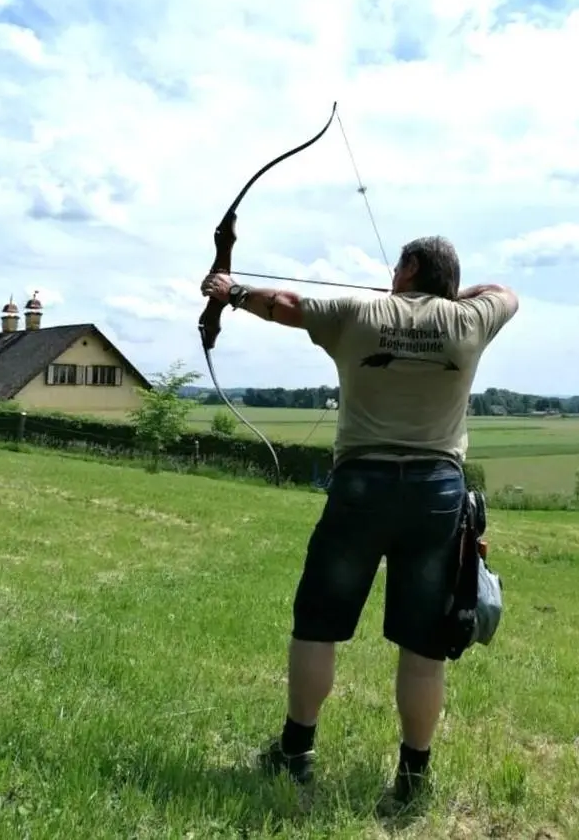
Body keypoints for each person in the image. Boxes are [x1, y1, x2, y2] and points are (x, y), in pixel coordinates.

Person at [200, 236, 519, 808]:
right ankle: (413, 780)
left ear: (411, 267)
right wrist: (449, 299)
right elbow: (507, 293)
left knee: (318, 623)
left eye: (399, 266)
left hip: (361, 487)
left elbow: (287, 306)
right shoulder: (472, 321)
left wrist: (231, 290)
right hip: (436, 495)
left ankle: (296, 757)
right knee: (424, 643)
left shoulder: (357, 313)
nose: (391, 273)